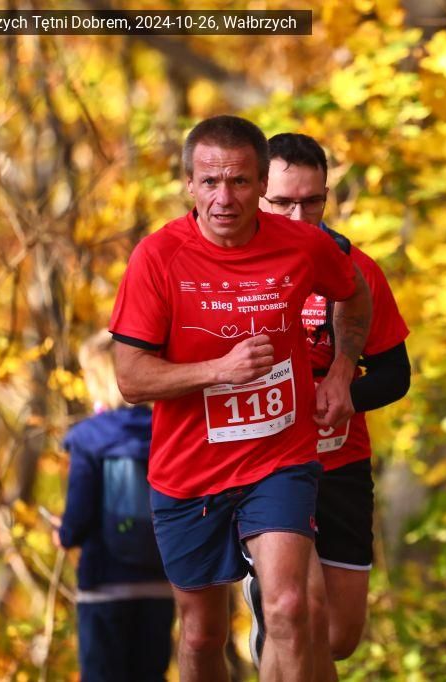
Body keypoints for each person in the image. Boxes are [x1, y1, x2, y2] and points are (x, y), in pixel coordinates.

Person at [108, 115, 372, 682]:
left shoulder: (304, 245)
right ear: (189, 184)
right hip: (190, 469)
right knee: (202, 635)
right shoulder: (158, 258)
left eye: (239, 182)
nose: (224, 199)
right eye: (210, 182)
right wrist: (219, 371)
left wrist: (341, 371)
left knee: (290, 607)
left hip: (279, 457)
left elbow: (355, 292)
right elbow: (130, 379)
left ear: (261, 183)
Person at [248, 132, 411, 664]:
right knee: (300, 609)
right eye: (282, 202)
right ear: (257, 194)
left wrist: (343, 395)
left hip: (340, 460)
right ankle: (271, 626)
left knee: (339, 636)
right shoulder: (230, 273)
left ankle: (273, 635)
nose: (299, 217)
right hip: (263, 465)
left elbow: (394, 374)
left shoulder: (357, 270)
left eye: (311, 202)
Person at [53, 329, 175, 682]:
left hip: (104, 584)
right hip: (158, 584)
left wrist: (63, 533)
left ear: (97, 377)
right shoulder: (164, 430)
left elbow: (77, 518)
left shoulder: (89, 438)